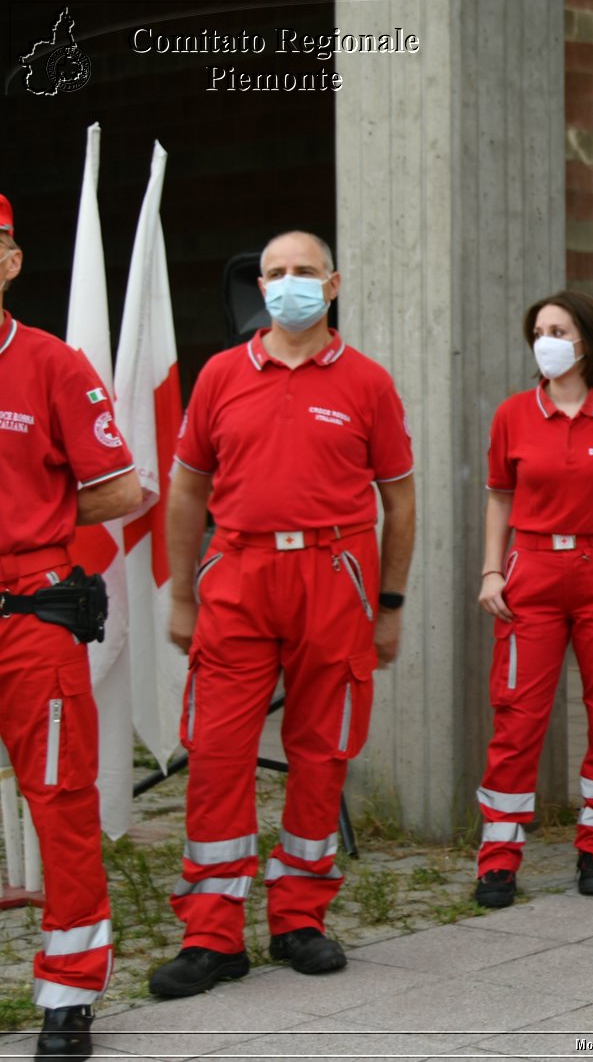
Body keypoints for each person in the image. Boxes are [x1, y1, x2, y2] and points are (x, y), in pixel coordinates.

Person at [150, 231, 416, 997]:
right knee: (218, 751)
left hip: (336, 577)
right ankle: (212, 933)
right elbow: (188, 489)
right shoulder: (221, 375)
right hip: (236, 572)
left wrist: (390, 605)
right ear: (258, 287)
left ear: (332, 285)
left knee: (321, 749)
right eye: (275, 274)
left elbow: (399, 498)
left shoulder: (367, 381)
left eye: (304, 272)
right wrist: (180, 594)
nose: (289, 284)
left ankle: (300, 917)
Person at [0, 194, 141, 1059]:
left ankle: (68, 992)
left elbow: (122, 488)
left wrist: (43, 516)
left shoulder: (53, 364)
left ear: (11, 261)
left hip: (30, 613)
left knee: (60, 802)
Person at [472, 290, 593, 905]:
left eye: (558, 329)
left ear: (587, 341)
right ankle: (498, 858)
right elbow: (500, 496)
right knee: (519, 714)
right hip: (530, 568)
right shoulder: (512, 415)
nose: (546, 339)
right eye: (539, 329)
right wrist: (490, 572)